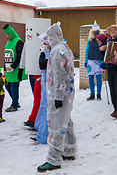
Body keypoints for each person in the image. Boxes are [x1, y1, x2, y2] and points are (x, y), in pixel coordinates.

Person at [37, 22, 77, 173]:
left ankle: (53, 159)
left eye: (47, 39)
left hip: (59, 95)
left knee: (55, 125)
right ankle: (70, 150)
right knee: (66, 121)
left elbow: (59, 76)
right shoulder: (64, 47)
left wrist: (58, 97)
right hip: (68, 94)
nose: (45, 43)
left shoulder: (56, 52)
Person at [29, 33, 51, 144]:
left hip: (53, 83)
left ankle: (43, 134)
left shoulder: (57, 51)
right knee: (43, 105)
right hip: (45, 81)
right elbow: (42, 65)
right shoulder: (44, 51)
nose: (45, 45)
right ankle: (38, 127)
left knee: (49, 108)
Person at [2, 24, 28, 112]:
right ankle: (15, 101)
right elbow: (6, 55)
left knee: (14, 87)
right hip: (8, 69)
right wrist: (5, 69)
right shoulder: (8, 42)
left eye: (8, 35)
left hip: (16, 69)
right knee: (7, 86)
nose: (7, 37)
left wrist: (13, 66)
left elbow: (20, 56)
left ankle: (14, 105)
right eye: (6, 35)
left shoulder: (19, 42)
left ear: (12, 33)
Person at [19, 41, 42, 128]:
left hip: (40, 72)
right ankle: (35, 118)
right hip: (32, 72)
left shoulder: (45, 40)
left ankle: (35, 119)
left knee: (39, 97)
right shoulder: (29, 41)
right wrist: (21, 68)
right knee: (36, 96)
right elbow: (24, 55)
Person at [85, 21, 104, 101]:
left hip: (99, 60)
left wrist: (103, 61)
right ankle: (92, 94)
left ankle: (99, 93)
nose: (95, 33)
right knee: (91, 77)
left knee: (99, 77)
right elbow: (87, 50)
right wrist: (86, 60)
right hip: (91, 61)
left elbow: (104, 51)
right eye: (94, 32)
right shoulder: (90, 40)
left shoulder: (102, 39)